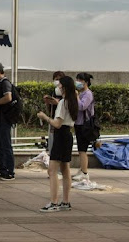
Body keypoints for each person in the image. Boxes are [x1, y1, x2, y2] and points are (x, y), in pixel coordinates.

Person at [37, 76, 78, 212]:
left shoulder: (63, 103)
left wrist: (45, 117)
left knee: (52, 170)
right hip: (68, 135)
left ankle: (54, 202)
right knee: (65, 169)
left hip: (60, 136)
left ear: (64, 87)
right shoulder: (73, 101)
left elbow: (57, 124)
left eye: (60, 85)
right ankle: (65, 201)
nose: (58, 87)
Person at [72, 72, 95, 182]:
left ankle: (85, 172)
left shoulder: (88, 94)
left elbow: (82, 106)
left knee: (83, 149)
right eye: (77, 80)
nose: (78, 82)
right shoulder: (81, 93)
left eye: (80, 80)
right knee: (80, 148)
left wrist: (76, 96)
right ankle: (81, 169)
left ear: (86, 82)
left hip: (85, 125)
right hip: (78, 123)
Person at [42, 71, 66, 158]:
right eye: (56, 79)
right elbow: (50, 110)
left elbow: (67, 105)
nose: (58, 82)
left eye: (59, 80)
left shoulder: (66, 93)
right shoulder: (53, 92)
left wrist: (58, 102)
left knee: (60, 146)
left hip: (62, 122)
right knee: (52, 142)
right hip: (53, 119)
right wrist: (48, 102)